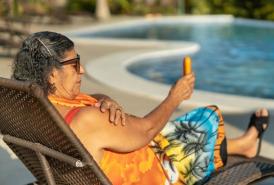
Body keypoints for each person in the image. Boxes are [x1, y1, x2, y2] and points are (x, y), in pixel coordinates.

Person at [12, 31, 270, 185]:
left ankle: (243, 143)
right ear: (51, 75)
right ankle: (244, 144)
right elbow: (146, 129)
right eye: (74, 63)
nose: (82, 70)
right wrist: (174, 97)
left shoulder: (36, 108)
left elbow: (89, 99)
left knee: (177, 130)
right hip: (150, 174)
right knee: (205, 120)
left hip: (108, 160)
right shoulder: (88, 120)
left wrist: (105, 99)